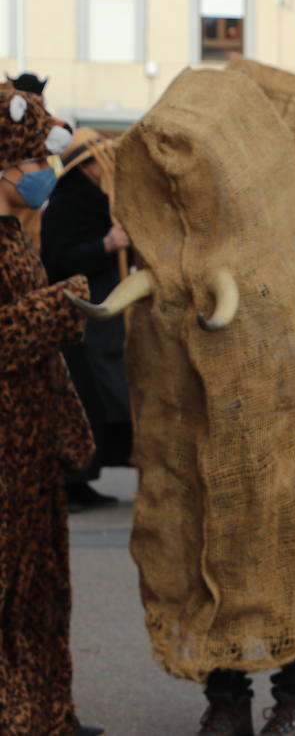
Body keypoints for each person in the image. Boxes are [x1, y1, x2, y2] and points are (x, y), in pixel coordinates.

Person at [0, 84, 105, 736]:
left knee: (40, 593)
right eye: (33, 159)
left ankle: (46, 713)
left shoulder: (14, 231)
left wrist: (68, 428)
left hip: (30, 443)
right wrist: (59, 305)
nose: (43, 171)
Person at [41, 128, 133, 512]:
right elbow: (59, 258)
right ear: (86, 164)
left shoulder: (103, 200)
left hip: (105, 312)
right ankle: (70, 481)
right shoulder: (66, 203)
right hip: (81, 317)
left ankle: (86, 479)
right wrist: (105, 246)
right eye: (100, 159)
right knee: (85, 396)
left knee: (106, 395)